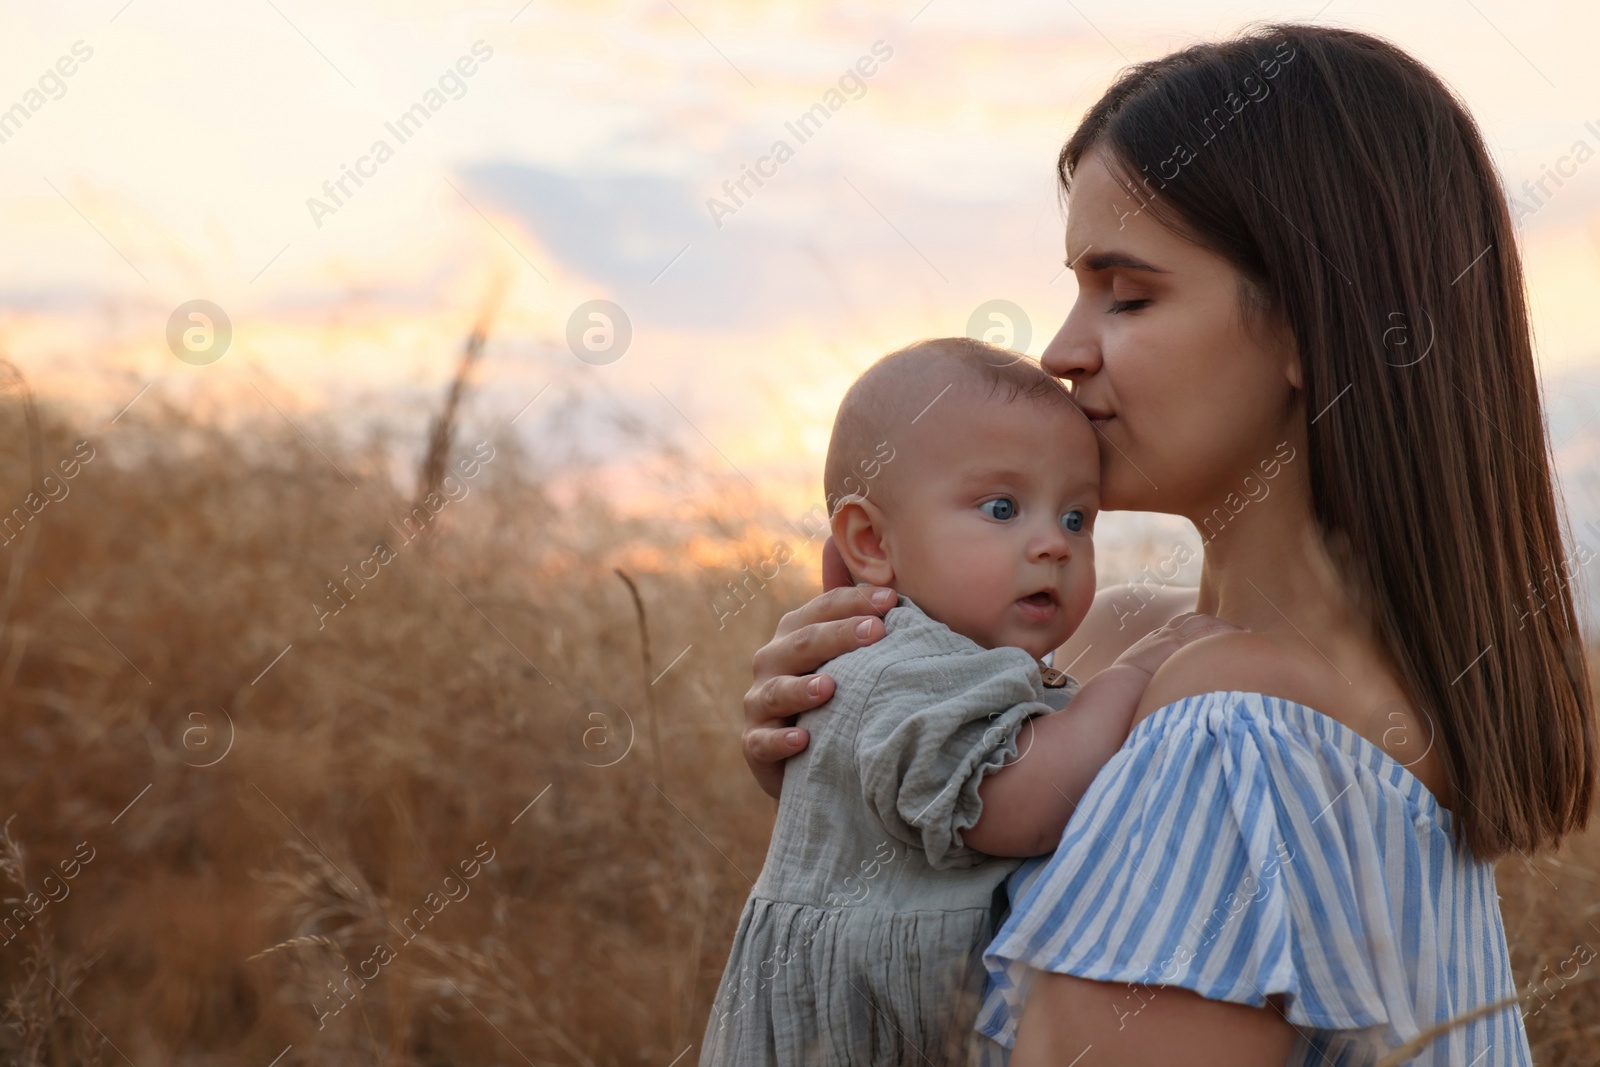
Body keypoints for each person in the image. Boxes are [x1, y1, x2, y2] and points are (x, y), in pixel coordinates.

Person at [735, 23, 1596, 1067]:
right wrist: (868, 777)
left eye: (1126, 293)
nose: (1060, 350)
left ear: (1304, 326)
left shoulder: (1230, 737)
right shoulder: (1249, 667)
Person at [700, 338, 1236, 1065]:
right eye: (1002, 507)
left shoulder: (971, 666)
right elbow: (1016, 804)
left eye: (1077, 519)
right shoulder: (901, 665)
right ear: (871, 540)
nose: (1052, 542)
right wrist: (1131, 678)